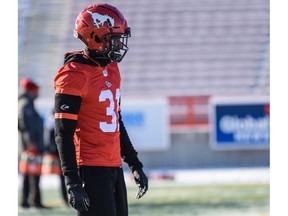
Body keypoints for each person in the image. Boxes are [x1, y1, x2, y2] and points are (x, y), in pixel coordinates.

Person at [53, 3, 148, 216]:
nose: (118, 44)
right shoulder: (73, 75)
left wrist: (134, 163)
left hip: (113, 166)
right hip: (90, 168)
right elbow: (62, 134)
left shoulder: (112, 68)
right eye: (113, 38)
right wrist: (72, 182)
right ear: (95, 36)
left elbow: (116, 121)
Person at [18, 77, 47, 208]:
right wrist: (31, 143)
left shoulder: (26, 103)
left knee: (29, 175)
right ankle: (34, 201)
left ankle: (26, 201)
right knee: (33, 175)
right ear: (31, 90)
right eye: (36, 90)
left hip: (30, 146)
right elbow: (24, 125)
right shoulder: (26, 104)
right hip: (31, 147)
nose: (38, 93)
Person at [44, 110, 68, 206]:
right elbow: (50, 133)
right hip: (59, 150)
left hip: (61, 148)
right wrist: (52, 148)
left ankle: (67, 197)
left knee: (65, 174)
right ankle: (65, 198)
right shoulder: (52, 115)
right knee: (63, 174)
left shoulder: (53, 114)